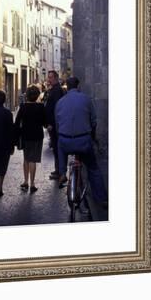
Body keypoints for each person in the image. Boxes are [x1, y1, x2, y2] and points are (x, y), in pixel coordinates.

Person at [55, 76, 107, 205]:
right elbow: (94, 121)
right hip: (83, 141)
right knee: (93, 168)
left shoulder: (60, 102)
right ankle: (102, 199)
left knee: (60, 146)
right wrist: (93, 137)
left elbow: (57, 124)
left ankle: (62, 173)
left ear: (67, 87)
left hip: (66, 141)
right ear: (78, 87)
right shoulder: (86, 99)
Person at [14, 85, 47, 193]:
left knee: (26, 158)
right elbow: (45, 123)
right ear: (37, 95)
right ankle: (32, 184)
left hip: (25, 136)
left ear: (27, 95)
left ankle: (25, 181)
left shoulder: (23, 107)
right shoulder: (41, 107)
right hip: (37, 136)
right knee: (33, 160)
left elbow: (17, 122)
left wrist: (17, 135)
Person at [44, 70, 65, 180]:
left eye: (51, 77)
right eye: (48, 77)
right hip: (53, 124)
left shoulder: (57, 90)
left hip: (55, 124)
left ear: (56, 78)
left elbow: (57, 108)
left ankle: (59, 171)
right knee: (56, 148)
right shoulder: (53, 89)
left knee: (57, 148)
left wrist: (51, 123)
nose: (49, 79)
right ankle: (58, 170)